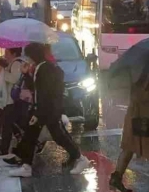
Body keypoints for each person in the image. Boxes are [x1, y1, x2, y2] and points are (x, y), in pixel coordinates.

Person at [6, 43, 90, 177]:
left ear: (33, 55)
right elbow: (37, 89)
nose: (27, 58)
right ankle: (26, 166)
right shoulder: (40, 67)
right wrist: (26, 74)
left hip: (48, 110)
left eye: (28, 55)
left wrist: (38, 113)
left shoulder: (45, 68)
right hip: (43, 109)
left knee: (59, 136)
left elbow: (45, 93)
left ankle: (81, 158)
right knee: (31, 135)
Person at [0, 48, 26, 156]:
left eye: (7, 52)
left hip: (12, 100)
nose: (5, 55)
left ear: (14, 53)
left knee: (7, 126)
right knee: (10, 124)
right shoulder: (12, 63)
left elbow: (14, 79)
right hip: (9, 100)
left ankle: (4, 149)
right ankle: (7, 148)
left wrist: (3, 72)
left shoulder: (16, 63)